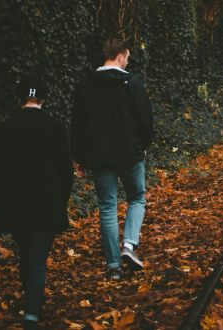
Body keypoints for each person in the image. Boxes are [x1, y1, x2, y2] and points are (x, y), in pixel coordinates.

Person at [0, 76, 73, 330]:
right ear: (43, 99)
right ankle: (32, 313)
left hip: (16, 205)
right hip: (47, 204)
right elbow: (65, 172)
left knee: (26, 256)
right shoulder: (56, 128)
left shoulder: (5, 129)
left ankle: (32, 303)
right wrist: (60, 200)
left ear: (19, 99)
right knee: (37, 260)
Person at [71, 39, 154, 280]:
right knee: (136, 197)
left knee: (107, 207)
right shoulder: (131, 82)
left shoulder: (87, 84)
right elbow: (145, 117)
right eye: (127, 57)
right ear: (120, 56)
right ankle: (129, 245)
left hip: (99, 156)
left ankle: (114, 266)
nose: (128, 62)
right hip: (129, 154)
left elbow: (78, 123)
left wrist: (80, 156)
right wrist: (143, 145)